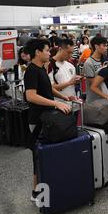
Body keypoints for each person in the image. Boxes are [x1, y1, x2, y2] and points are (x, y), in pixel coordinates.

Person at [23, 39, 72, 202]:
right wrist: (55, 103)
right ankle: (36, 191)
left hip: (47, 117)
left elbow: (48, 88)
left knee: (46, 153)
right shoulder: (31, 70)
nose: (49, 53)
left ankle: (46, 186)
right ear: (37, 52)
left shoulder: (41, 68)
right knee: (38, 155)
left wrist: (63, 97)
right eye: (47, 50)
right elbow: (30, 95)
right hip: (38, 119)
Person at [84, 36, 108, 103]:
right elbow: (94, 84)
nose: (106, 48)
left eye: (107, 46)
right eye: (104, 46)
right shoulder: (88, 63)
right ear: (96, 46)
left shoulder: (106, 59)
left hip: (106, 97)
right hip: (94, 100)